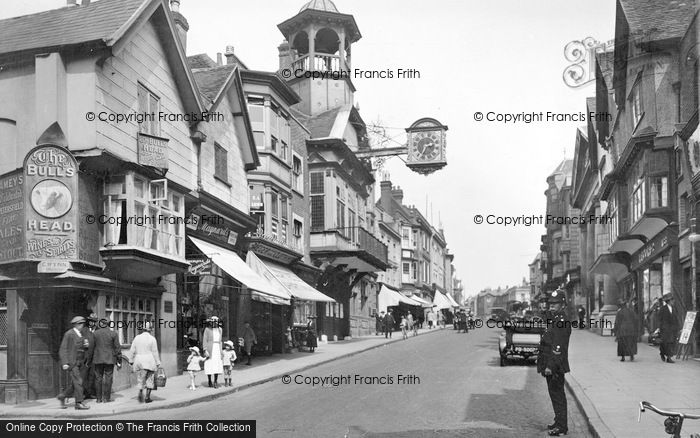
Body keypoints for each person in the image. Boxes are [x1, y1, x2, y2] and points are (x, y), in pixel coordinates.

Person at [537, 290, 571, 436]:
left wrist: (550, 366)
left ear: (563, 304)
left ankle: (562, 427)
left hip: (555, 365)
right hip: (550, 363)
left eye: (555, 304)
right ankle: (558, 421)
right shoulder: (554, 319)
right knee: (554, 394)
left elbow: (558, 347)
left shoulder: (561, 321)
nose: (551, 306)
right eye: (550, 304)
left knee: (558, 395)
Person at [57, 316, 90, 410]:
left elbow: (81, 348)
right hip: (72, 363)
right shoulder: (69, 334)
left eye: (82, 324)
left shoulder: (80, 334)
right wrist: (65, 362)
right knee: (79, 381)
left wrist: (86, 346)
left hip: (80, 362)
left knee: (75, 383)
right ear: (75, 324)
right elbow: (63, 349)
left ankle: (62, 396)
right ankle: (79, 403)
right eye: (80, 324)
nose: (82, 325)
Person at [127, 321, 161, 403]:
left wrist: (131, 360)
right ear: (150, 330)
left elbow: (132, 350)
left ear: (143, 329)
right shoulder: (152, 339)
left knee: (140, 378)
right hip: (149, 360)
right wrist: (158, 362)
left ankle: (141, 391)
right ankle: (147, 397)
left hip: (139, 360)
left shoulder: (137, 338)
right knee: (150, 378)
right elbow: (155, 352)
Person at [92, 317, 121, 403]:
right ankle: (106, 398)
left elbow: (92, 347)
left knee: (98, 378)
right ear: (108, 324)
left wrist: (89, 359)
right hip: (109, 359)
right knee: (108, 378)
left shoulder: (95, 334)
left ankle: (98, 398)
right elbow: (117, 348)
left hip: (98, 359)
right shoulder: (113, 334)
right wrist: (119, 360)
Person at [657, 293, 679, 363]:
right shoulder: (662, 309)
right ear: (669, 301)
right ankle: (666, 356)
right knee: (665, 343)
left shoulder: (674, 309)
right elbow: (659, 320)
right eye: (672, 300)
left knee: (671, 343)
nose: (674, 301)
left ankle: (667, 356)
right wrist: (660, 328)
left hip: (672, 329)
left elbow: (676, 319)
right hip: (665, 329)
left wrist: (678, 327)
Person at [203, 316, 224, 388]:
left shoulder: (220, 329)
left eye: (216, 321)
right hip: (210, 348)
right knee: (209, 364)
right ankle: (209, 380)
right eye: (213, 321)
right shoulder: (207, 329)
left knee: (216, 364)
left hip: (217, 348)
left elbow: (220, 341)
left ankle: (215, 381)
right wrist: (205, 350)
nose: (214, 323)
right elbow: (205, 340)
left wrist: (221, 351)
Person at [81, 313, 97, 400]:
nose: (92, 323)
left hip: (94, 357)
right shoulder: (84, 330)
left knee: (92, 376)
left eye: (93, 321)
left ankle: (90, 393)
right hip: (85, 357)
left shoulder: (98, 331)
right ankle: (84, 393)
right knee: (84, 376)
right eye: (90, 321)